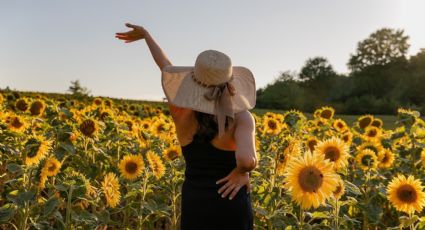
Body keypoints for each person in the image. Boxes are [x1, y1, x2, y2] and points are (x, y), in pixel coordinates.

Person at [116, 23, 257, 230]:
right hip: (230, 202)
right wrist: (242, 172)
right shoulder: (242, 118)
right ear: (230, 82)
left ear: (194, 82)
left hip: (196, 202)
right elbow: (246, 160)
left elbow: (166, 67)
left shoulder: (180, 111)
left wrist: (147, 36)